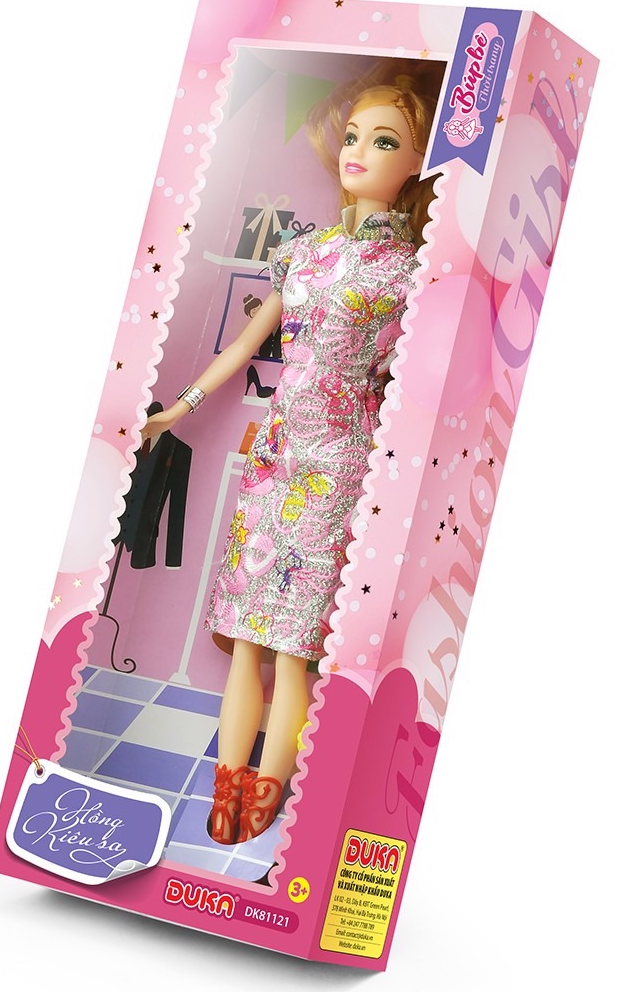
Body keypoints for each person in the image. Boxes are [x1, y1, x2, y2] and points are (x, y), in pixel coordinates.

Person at [141, 70, 440, 845]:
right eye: (353, 136)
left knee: (292, 643)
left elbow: (418, 378)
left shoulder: (413, 271)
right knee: (246, 631)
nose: (357, 151)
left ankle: (267, 792)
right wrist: (180, 408)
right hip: (275, 455)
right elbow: (246, 344)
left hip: (340, 460)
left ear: (418, 162)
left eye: (384, 141)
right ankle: (227, 784)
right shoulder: (303, 253)